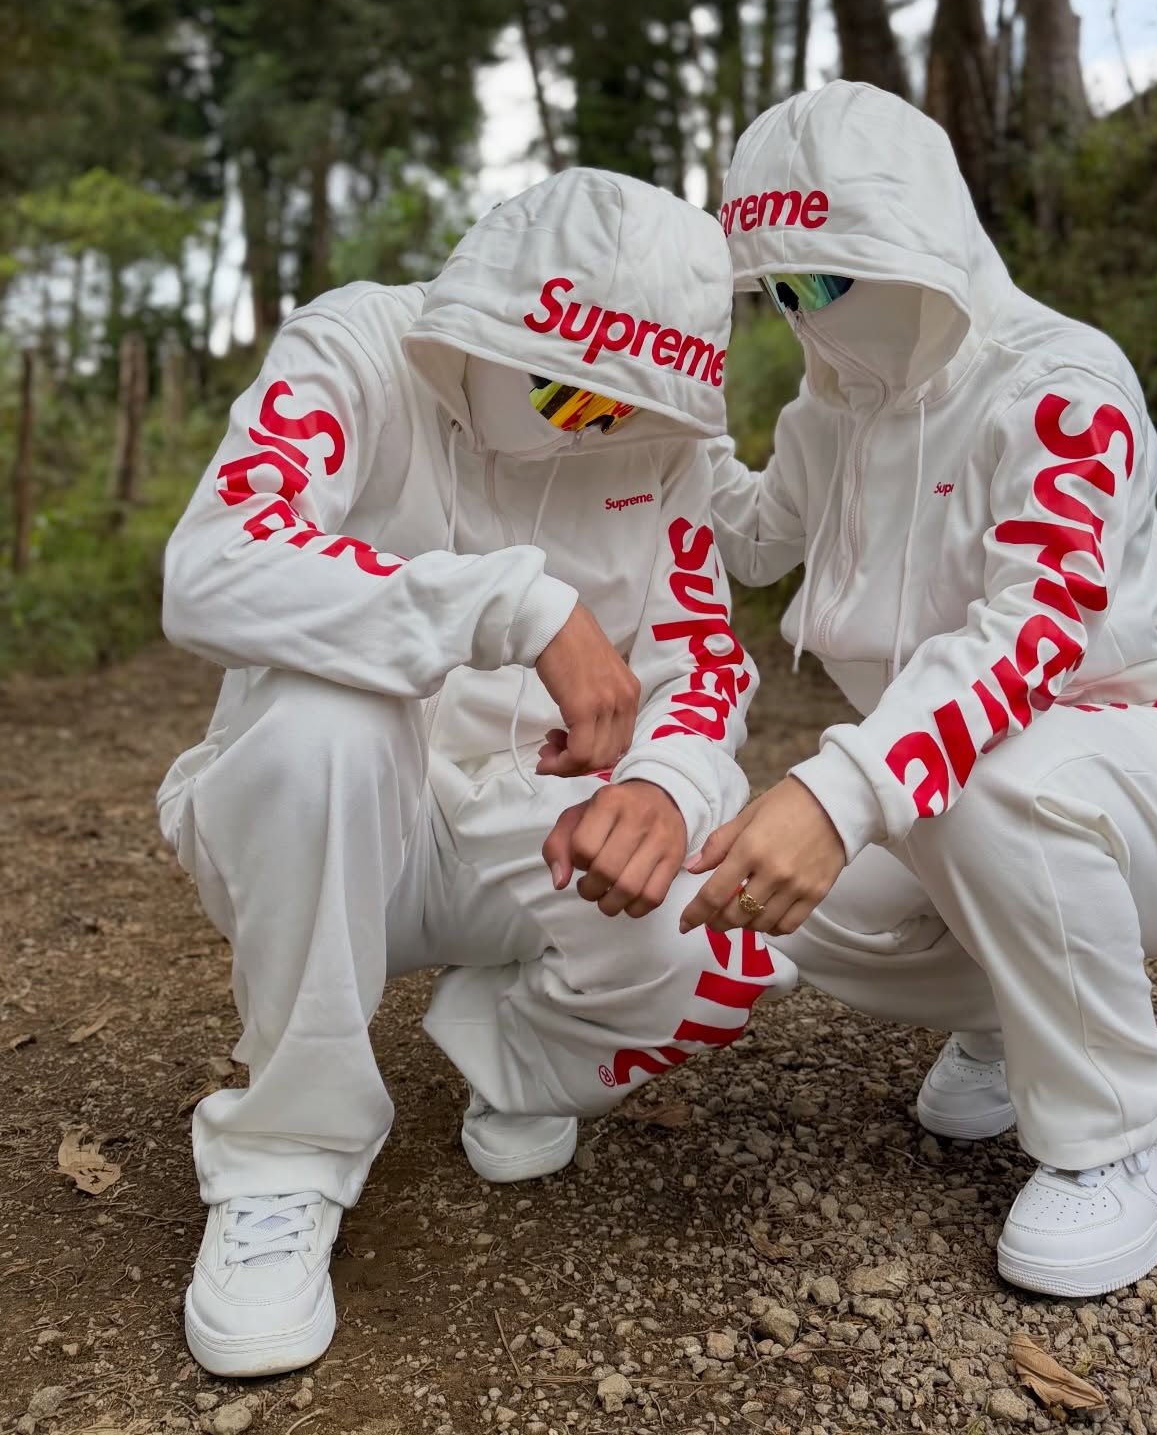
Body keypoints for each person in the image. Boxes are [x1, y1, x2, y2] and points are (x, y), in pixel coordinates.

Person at [157, 167, 795, 1377]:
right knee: (327, 717)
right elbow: (215, 564)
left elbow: (703, 661)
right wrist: (515, 602)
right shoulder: (358, 345)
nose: (592, 428)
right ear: (486, 320)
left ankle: (516, 1039)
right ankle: (284, 1153)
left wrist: (663, 785)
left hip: (529, 825)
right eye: (568, 389)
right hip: (333, 822)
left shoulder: (656, 440)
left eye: (625, 408)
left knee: (727, 940)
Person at [688, 81, 1157, 1298]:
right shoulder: (830, 408)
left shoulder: (1061, 383)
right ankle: (1018, 1021)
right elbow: (748, 539)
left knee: (969, 779)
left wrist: (839, 792)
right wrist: (663, 417)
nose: (803, 314)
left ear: (916, 239)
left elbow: (1033, 634)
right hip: (972, 793)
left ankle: (1132, 1127)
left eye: (825, 277)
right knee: (775, 894)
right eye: (779, 289)